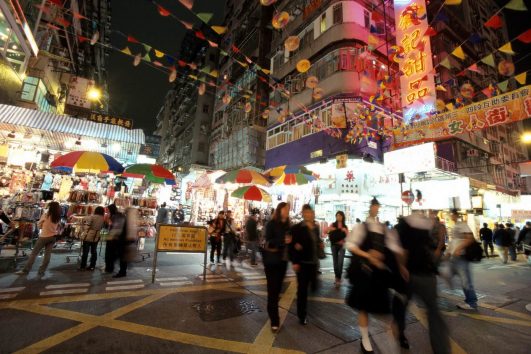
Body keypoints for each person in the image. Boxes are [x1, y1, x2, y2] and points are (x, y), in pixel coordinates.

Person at [346, 198, 406, 353]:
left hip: (380, 275)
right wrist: (367, 254)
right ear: (370, 207)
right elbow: (350, 245)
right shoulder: (361, 227)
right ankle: (365, 340)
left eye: (377, 206)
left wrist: (401, 266)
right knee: (363, 308)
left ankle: (388, 343)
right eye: (373, 206)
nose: (375, 208)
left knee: (383, 310)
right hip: (364, 273)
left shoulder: (385, 229)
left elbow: (395, 248)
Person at [394, 211, 450, 354]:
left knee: (401, 306)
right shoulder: (429, 225)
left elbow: (401, 249)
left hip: (411, 275)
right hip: (425, 275)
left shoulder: (405, 224)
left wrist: (401, 266)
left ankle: (399, 333)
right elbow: (434, 248)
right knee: (433, 314)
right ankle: (441, 350)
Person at [289, 204, 324, 326]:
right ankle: (301, 315)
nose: (309, 214)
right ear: (303, 214)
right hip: (302, 264)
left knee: (314, 286)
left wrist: (320, 243)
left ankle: (309, 308)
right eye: (306, 212)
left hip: (314, 263)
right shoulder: (297, 228)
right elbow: (292, 246)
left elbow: (317, 240)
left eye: (311, 212)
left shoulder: (315, 227)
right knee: (302, 290)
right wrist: (295, 262)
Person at [263, 202, 290, 333]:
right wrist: (283, 241)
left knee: (278, 290)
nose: (287, 211)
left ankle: (273, 313)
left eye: (288, 209)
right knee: (272, 291)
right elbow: (268, 240)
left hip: (283, 262)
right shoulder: (271, 224)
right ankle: (274, 320)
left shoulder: (288, 225)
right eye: (285, 209)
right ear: (280, 210)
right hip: (272, 262)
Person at [16, 201, 62, 276]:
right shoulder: (58, 216)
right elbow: (59, 226)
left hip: (44, 236)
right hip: (53, 237)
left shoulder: (46, 214)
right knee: (47, 255)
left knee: (34, 254)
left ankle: (25, 270)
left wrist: (43, 226)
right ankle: (41, 271)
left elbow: (39, 224)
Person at [448, 209, 478, 310]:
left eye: (450, 214)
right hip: (455, 257)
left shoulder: (462, 224)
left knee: (466, 280)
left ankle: (471, 303)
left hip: (461, 257)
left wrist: (458, 249)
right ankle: (469, 300)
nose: (449, 216)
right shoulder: (456, 225)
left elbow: (470, 238)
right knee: (448, 275)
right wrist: (448, 253)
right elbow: (454, 241)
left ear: (455, 214)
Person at [113, 208, 138, 278]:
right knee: (123, 257)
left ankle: (122, 271)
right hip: (128, 241)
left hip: (125, 241)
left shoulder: (127, 219)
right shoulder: (132, 220)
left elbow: (124, 231)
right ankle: (123, 270)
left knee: (122, 257)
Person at [79, 206, 105, 271]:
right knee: (94, 251)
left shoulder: (92, 217)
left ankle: (83, 266)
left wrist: (83, 233)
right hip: (96, 236)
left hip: (89, 236)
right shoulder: (102, 218)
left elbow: (87, 226)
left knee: (85, 251)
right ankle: (92, 266)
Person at [328, 211, 348, 287]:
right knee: (335, 263)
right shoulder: (332, 225)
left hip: (342, 246)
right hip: (334, 245)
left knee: (340, 262)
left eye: (340, 215)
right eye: (337, 215)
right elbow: (329, 234)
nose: (338, 217)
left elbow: (347, 236)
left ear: (342, 217)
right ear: (335, 217)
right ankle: (337, 277)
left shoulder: (345, 226)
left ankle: (338, 278)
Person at [105, 204, 126, 274]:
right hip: (117, 239)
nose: (108, 212)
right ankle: (111, 268)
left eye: (108, 210)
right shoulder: (118, 216)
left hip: (115, 239)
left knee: (111, 254)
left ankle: (111, 268)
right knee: (114, 255)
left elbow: (115, 228)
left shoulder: (115, 216)